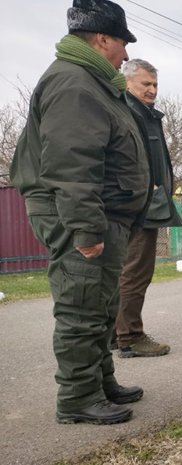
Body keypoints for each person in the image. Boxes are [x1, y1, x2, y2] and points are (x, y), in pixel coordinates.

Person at [10, 0, 149, 424]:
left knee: (101, 304)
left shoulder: (90, 81)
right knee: (82, 305)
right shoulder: (74, 83)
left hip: (102, 211)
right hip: (80, 214)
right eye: (123, 43)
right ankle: (76, 398)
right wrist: (86, 230)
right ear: (103, 38)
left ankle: (99, 382)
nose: (125, 55)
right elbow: (72, 164)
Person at [114, 59, 182, 358]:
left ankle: (115, 335)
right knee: (135, 272)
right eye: (146, 84)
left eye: (155, 84)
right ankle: (130, 336)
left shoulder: (147, 114)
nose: (153, 90)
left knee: (125, 272)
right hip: (139, 205)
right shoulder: (129, 112)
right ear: (128, 82)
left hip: (146, 201)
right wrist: (148, 191)